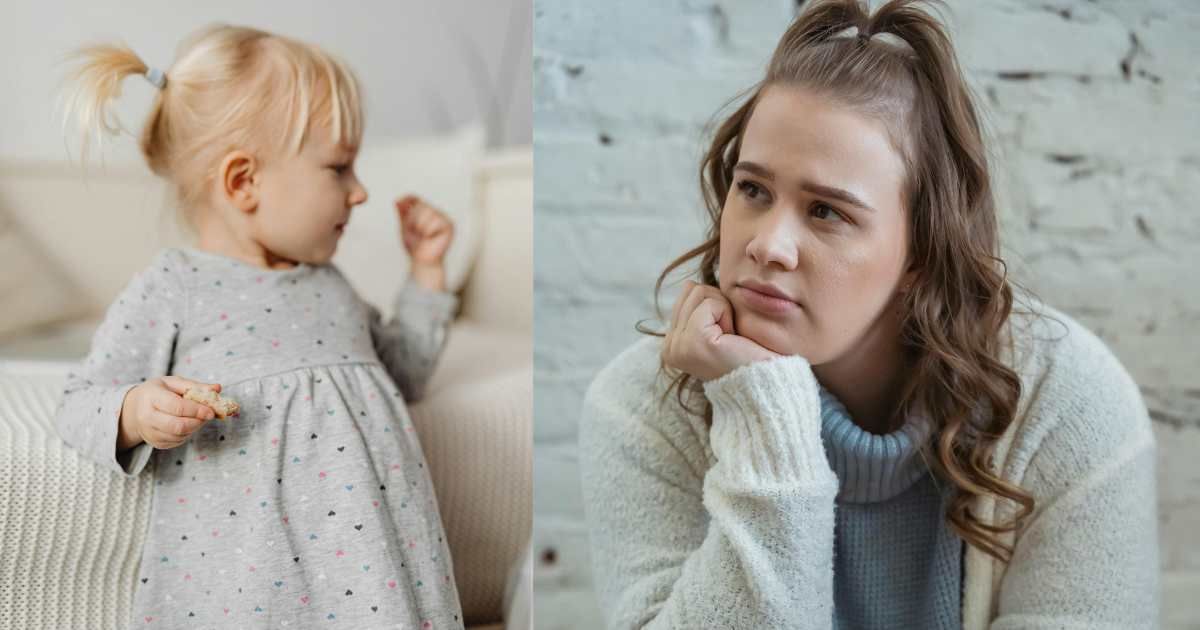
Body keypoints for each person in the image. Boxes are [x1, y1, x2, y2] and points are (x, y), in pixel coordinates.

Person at [579, 1, 1159, 628]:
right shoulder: (646, 407)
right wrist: (762, 414)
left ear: (922, 252)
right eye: (753, 190)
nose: (766, 245)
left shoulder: (1064, 405)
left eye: (826, 211)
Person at [55, 24, 465, 629]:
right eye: (339, 168)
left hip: (377, 577)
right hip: (251, 587)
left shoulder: (331, 285)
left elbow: (402, 374)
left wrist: (427, 273)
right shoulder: (176, 286)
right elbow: (76, 403)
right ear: (244, 182)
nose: (360, 193)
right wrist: (137, 412)